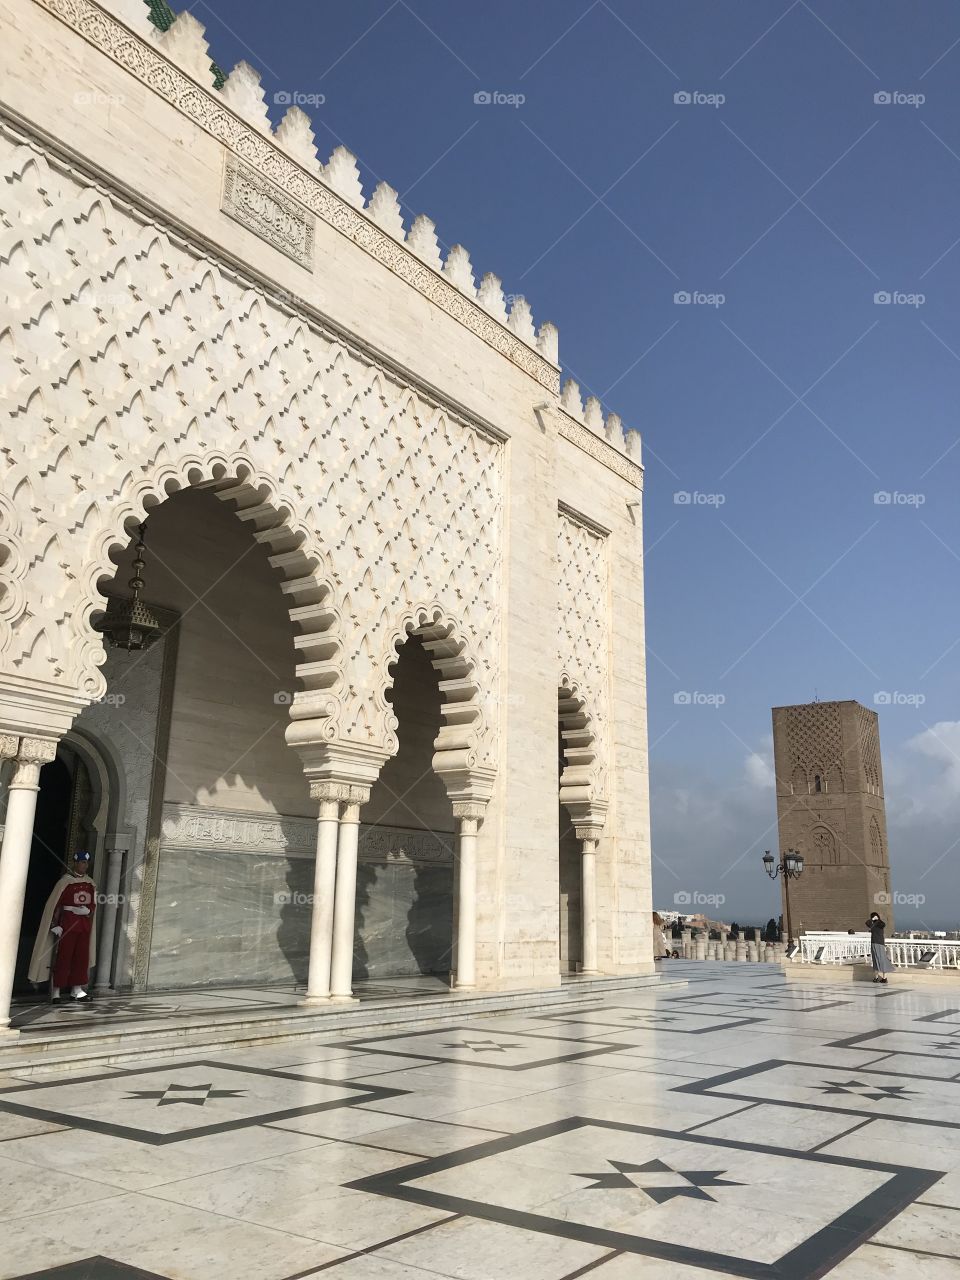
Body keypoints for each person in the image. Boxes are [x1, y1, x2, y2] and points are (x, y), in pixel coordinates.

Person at [28, 852, 97, 1002]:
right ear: (75, 863)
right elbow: (54, 905)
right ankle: (56, 992)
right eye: (81, 862)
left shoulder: (89, 883)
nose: (84, 866)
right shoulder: (65, 882)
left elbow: (92, 904)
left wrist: (89, 910)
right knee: (63, 958)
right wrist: (54, 925)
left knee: (81, 958)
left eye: (86, 863)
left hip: (83, 925)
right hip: (68, 924)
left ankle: (77, 990)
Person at [866, 911, 891, 984]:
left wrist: (878, 919)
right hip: (874, 943)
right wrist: (872, 919)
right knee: (875, 960)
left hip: (879, 944)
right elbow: (867, 923)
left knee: (882, 960)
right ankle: (876, 977)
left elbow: (883, 924)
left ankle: (884, 978)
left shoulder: (880, 924)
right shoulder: (872, 924)